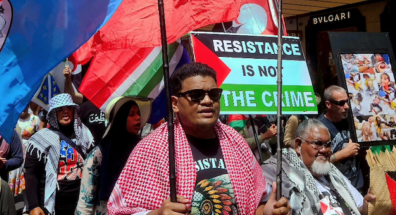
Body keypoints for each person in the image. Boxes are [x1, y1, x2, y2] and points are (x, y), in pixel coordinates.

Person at [108, 62, 289, 215]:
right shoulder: (151, 149)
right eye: (196, 95)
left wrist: (267, 211)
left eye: (214, 94)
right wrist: (156, 213)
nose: (208, 101)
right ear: (175, 104)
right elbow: (118, 210)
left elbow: (254, 205)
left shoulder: (236, 141)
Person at [261, 119, 375, 215]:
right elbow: (263, 209)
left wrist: (365, 208)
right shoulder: (278, 172)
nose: (324, 150)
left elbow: (355, 209)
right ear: (298, 145)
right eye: (318, 143)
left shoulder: (332, 173)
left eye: (328, 144)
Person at [76, 97, 150, 215]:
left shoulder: (143, 149)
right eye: (131, 114)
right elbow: (85, 202)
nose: (138, 117)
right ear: (120, 119)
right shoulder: (99, 154)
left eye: (138, 114)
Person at [24, 93, 94, 215]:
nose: (65, 112)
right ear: (53, 114)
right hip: (52, 205)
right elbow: (31, 174)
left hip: (81, 203)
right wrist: (33, 205)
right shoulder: (41, 139)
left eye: (69, 108)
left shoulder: (85, 134)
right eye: (60, 109)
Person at [318, 85, 362, 189]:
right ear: (328, 104)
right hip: (337, 189)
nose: (346, 106)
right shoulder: (319, 128)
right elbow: (316, 164)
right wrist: (344, 153)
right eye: (341, 103)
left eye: (347, 101)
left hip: (357, 186)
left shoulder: (350, 121)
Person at [63, 66, 107, 145]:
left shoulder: (113, 100)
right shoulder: (86, 103)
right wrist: (68, 79)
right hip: (89, 152)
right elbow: (71, 96)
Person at [9, 105, 41, 198]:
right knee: (13, 178)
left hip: (30, 153)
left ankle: (27, 206)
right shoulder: (12, 120)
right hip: (15, 152)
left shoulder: (35, 119)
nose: (22, 108)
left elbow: (40, 135)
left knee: (28, 179)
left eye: (24, 105)